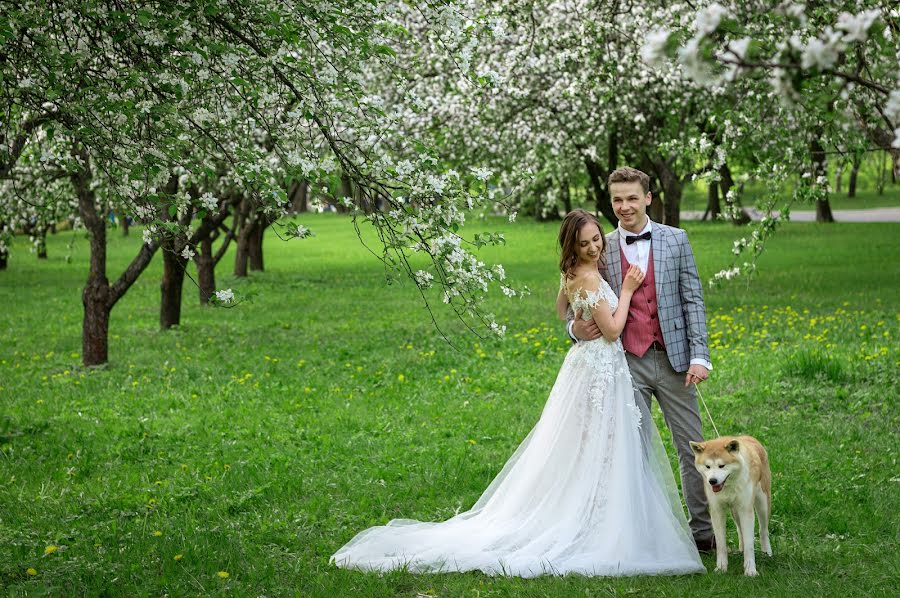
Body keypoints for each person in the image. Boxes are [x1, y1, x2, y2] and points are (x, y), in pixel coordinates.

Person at [330, 209, 705, 577]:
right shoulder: (590, 276)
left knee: (591, 444)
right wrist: (623, 292)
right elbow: (609, 330)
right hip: (601, 365)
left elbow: (562, 309)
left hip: (591, 366)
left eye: (595, 240)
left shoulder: (573, 272)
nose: (594, 247)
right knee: (601, 444)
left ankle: (610, 512)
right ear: (573, 245)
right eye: (585, 243)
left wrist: (576, 317)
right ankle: (599, 519)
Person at [567, 166, 714, 552]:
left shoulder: (676, 240)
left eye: (632, 198)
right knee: (632, 450)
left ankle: (703, 531)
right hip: (625, 363)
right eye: (617, 199)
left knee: (693, 448)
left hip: (674, 360)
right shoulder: (600, 245)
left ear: (648, 198)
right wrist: (573, 330)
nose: (625, 206)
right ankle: (641, 531)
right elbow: (577, 299)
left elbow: (692, 299)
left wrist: (700, 355)